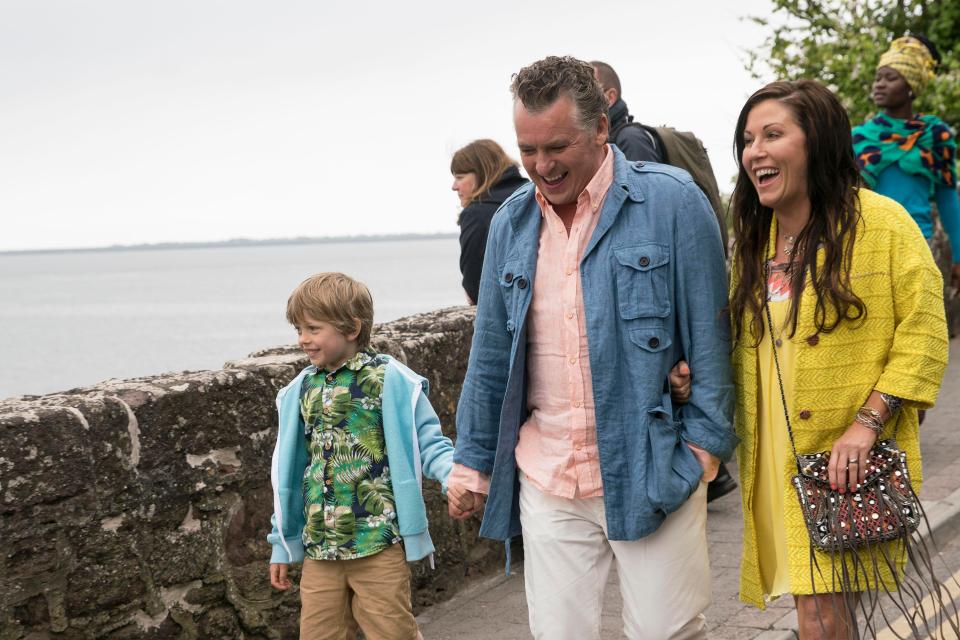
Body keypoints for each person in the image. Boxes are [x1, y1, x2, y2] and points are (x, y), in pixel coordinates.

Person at [447, 56, 736, 640]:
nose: (541, 166)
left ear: (601, 127)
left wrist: (704, 449)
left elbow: (714, 339)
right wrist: (472, 463)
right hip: (548, 476)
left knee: (668, 634)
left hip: (652, 465)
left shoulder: (673, 202)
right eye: (527, 150)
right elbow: (491, 359)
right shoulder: (509, 223)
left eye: (557, 146)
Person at [728, 80, 948, 637]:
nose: (756, 151)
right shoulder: (754, 241)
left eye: (773, 134)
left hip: (841, 461)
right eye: (749, 139)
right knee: (822, 615)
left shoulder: (884, 224)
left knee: (821, 613)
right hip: (773, 460)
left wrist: (868, 421)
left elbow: (924, 333)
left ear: (818, 141)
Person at [266, 272, 473, 640]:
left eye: (313, 328)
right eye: (298, 329)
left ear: (351, 328)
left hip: (377, 544)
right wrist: (281, 544)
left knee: (391, 633)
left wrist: (453, 478)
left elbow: (428, 441)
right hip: (321, 549)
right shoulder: (300, 390)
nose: (303, 339)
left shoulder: (389, 380)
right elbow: (289, 474)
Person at [591, 59, 738, 503]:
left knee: (676, 378)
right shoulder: (621, 138)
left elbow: (645, 222)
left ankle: (703, 474)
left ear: (609, 99)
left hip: (659, 287)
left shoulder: (630, 139)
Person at [853, 35, 960, 335]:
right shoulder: (860, 138)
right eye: (877, 78)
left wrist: (959, 258)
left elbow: (948, 198)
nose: (880, 84)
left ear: (911, 87)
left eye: (890, 78)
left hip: (920, 246)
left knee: (920, 337)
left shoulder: (935, 135)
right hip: (868, 247)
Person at [451, 139, 529, 304]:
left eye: (460, 177)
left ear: (482, 174)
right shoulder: (531, 194)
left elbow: (474, 286)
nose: (454, 186)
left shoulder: (476, 214)